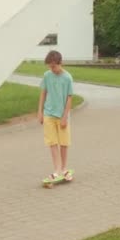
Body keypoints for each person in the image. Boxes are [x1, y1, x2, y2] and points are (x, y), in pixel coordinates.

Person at [38, 50, 74, 181]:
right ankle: (57, 169)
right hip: (49, 114)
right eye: (49, 66)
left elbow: (69, 98)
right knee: (52, 143)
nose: (51, 69)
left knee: (64, 143)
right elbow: (43, 93)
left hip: (62, 116)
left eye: (53, 66)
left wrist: (65, 117)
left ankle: (64, 168)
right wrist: (40, 112)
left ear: (60, 63)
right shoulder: (47, 75)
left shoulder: (67, 78)